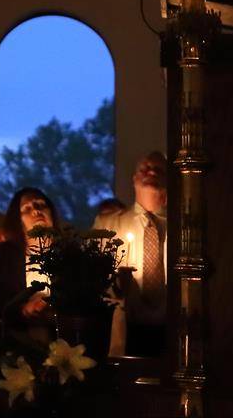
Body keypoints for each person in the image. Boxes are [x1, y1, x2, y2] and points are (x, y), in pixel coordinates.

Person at [93, 151, 168, 357]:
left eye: (158, 169)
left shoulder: (184, 229)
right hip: (125, 331)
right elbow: (93, 279)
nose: (151, 171)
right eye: (145, 168)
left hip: (171, 330)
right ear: (134, 179)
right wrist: (115, 285)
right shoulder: (108, 225)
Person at [0, 188, 60, 338]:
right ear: (19, 221)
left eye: (41, 205)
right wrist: (22, 309)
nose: (36, 211)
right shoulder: (2, 254)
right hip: (14, 342)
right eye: (27, 209)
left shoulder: (66, 255)